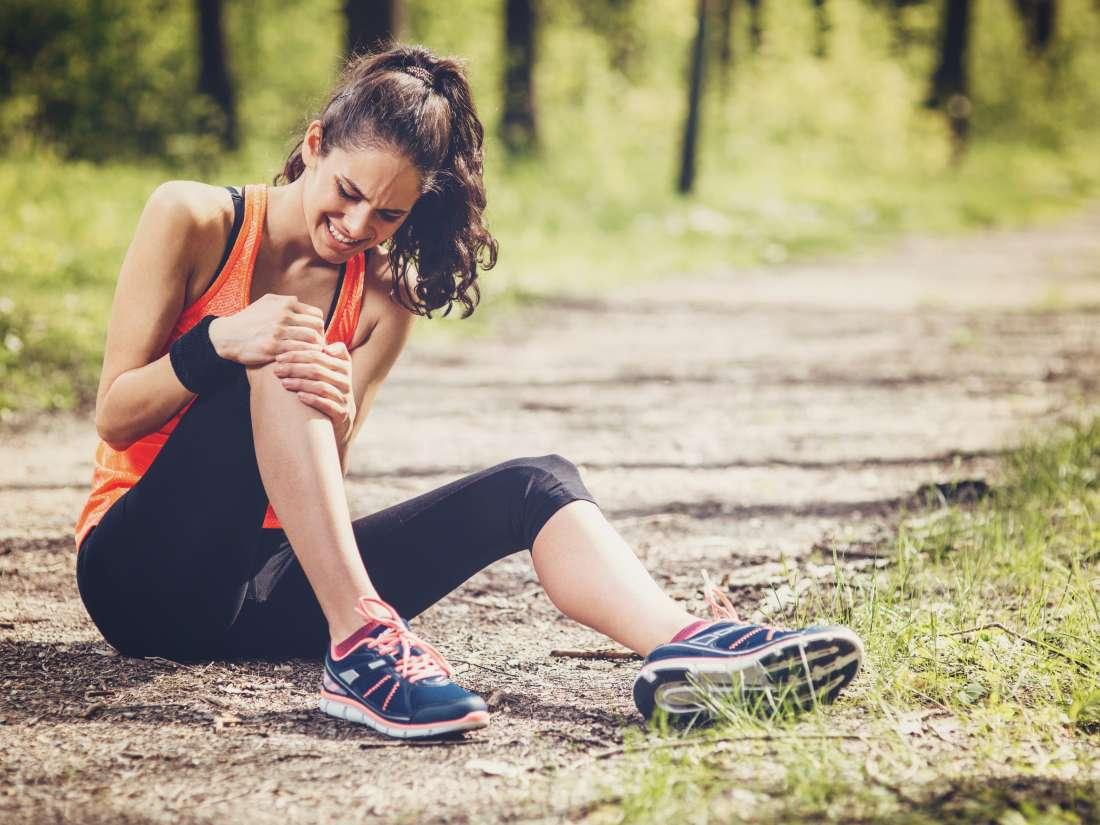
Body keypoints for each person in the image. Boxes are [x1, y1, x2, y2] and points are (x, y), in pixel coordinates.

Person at [74, 44, 863, 740]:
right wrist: (218, 342)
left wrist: (338, 413)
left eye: (388, 213)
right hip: (137, 573)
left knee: (536, 483)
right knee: (283, 348)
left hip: (256, 590)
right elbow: (114, 413)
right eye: (346, 192)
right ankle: (362, 646)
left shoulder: (382, 299)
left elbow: (310, 485)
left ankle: (685, 643)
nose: (356, 224)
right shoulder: (196, 218)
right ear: (314, 146)